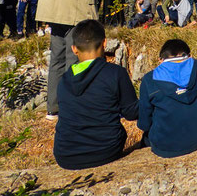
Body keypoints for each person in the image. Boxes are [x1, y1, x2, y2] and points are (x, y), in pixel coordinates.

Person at [53, 19, 138, 169]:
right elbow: (131, 113)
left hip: (65, 155)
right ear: (104, 43)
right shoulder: (115, 73)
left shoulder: (64, 80)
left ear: (74, 49)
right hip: (106, 150)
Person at [138, 39, 197, 158]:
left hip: (165, 146)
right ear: (190, 56)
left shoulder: (149, 80)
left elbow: (144, 124)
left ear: (160, 60)